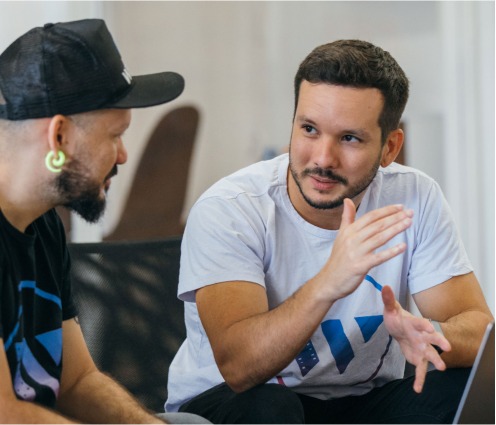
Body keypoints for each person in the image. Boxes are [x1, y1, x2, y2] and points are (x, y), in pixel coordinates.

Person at [165, 40, 494, 425]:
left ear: (389, 148)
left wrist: (430, 333)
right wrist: (329, 282)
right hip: (234, 401)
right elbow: (238, 367)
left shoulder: (413, 196)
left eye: (349, 138)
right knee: (271, 410)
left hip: (360, 402)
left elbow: (479, 329)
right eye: (309, 129)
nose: (322, 158)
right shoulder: (231, 207)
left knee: (464, 389)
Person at [0, 19, 211, 425]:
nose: (122, 156)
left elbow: (78, 380)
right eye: (114, 135)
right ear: (59, 138)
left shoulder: (40, 220)